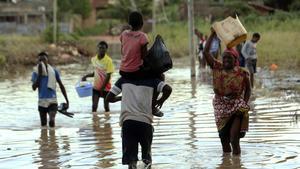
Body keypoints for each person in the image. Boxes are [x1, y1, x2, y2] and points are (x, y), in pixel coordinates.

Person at [105, 76, 172, 169]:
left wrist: (122, 97)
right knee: (146, 159)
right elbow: (168, 89)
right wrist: (160, 101)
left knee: (131, 161)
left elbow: (108, 98)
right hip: (145, 123)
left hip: (128, 123)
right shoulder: (153, 80)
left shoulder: (123, 80)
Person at [204, 28, 251, 155]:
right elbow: (206, 52)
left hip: (236, 105)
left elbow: (248, 89)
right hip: (220, 106)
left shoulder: (242, 73)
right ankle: (228, 164)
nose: (226, 61)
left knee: (234, 140)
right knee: (224, 140)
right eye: (224, 58)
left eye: (229, 59)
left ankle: (237, 163)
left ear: (235, 60)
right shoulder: (217, 67)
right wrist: (213, 34)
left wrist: (245, 104)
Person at [119, 11, 165, 117]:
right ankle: (153, 106)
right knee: (161, 76)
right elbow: (144, 57)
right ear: (142, 23)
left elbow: (124, 51)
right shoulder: (142, 37)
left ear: (129, 23)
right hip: (135, 71)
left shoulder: (124, 34)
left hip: (123, 70)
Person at [31, 52, 69, 127]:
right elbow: (34, 88)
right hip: (42, 101)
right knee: (43, 125)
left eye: (44, 59)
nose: (42, 62)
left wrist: (67, 100)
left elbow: (61, 85)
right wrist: (39, 75)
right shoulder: (35, 73)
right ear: (38, 62)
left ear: (47, 60)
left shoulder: (54, 71)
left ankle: (53, 138)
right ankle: (45, 138)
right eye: (40, 60)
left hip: (52, 101)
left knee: (51, 121)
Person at [82, 41, 115, 113]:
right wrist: (86, 76)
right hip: (96, 87)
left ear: (106, 49)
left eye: (103, 48)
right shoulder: (93, 59)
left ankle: (107, 122)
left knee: (106, 107)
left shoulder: (109, 61)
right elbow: (95, 72)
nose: (101, 50)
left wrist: (102, 88)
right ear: (97, 48)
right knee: (94, 106)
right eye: (100, 48)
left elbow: (108, 76)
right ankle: (94, 122)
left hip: (106, 88)